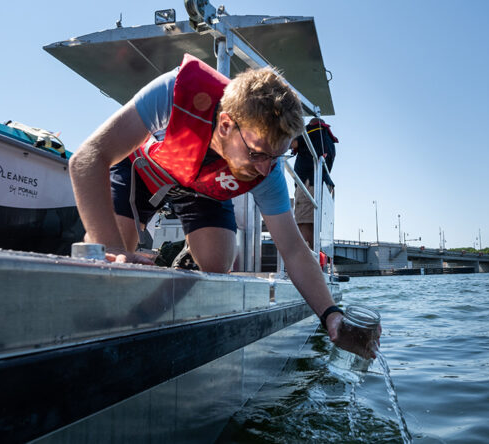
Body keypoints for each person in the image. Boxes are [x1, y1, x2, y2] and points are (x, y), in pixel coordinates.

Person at [68, 54, 377, 358]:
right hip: (145, 169)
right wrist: (111, 247)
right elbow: (86, 159)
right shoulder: (174, 92)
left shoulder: (266, 170)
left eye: (277, 158)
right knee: (113, 260)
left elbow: (294, 250)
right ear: (227, 125)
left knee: (216, 265)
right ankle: (90, 327)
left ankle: (159, 295)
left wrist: (332, 316)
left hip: (204, 187)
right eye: (257, 155)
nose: (265, 171)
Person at [291, 117, 337, 249]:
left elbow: (292, 143)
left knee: (304, 222)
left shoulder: (310, 131)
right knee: (315, 224)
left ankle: (306, 259)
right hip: (324, 185)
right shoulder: (328, 139)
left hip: (309, 183)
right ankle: (314, 259)